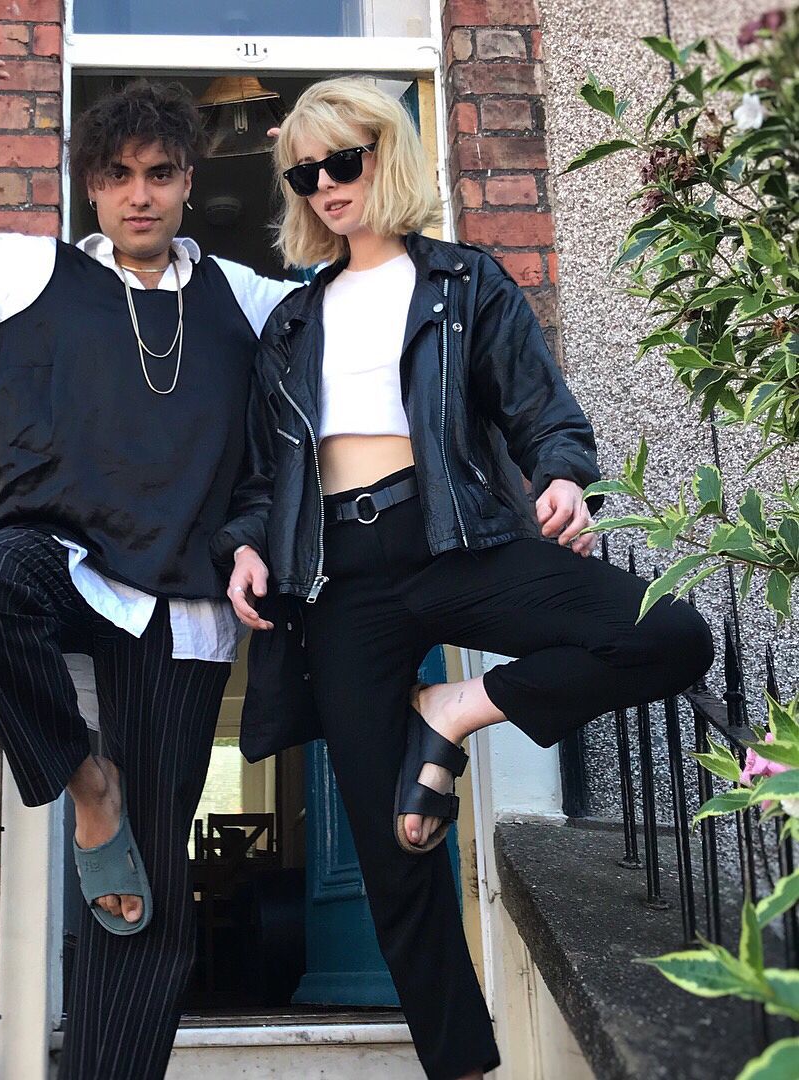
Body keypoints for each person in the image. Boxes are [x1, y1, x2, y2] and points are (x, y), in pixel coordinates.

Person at [213, 77, 715, 1080]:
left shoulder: (462, 284)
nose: (326, 187)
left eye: (342, 162)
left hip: (454, 542)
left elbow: (540, 410)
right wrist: (245, 544)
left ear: (385, 153)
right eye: (304, 175)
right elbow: (262, 475)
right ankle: (465, 1069)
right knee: (395, 848)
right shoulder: (293, 323)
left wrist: (563, 477)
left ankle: (454, 707)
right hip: (339, 579)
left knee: (672, 633)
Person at [0, 24, 299, 1079]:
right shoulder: (31, 274)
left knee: (148, 900)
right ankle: (89, 785)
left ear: (188, 182)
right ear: (92, 186)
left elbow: (361, 319)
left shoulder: (248, 298)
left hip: (184, 611)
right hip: (69, 569)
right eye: (118, 176)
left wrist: (320, 158)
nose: (140, 195)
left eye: (160, 175)